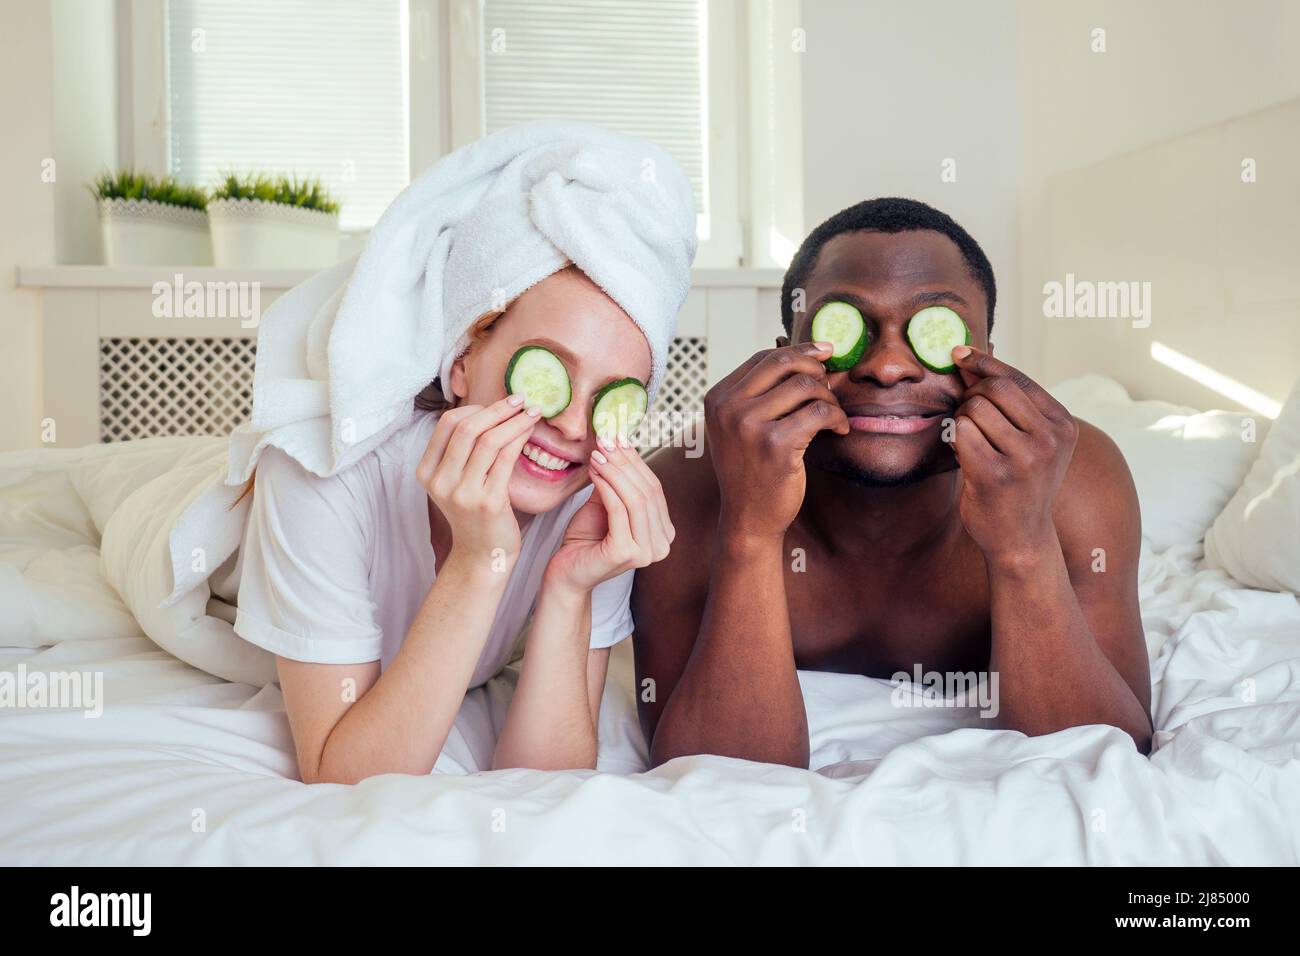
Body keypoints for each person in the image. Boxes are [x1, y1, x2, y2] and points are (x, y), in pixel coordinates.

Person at [228, 124, 696, 783]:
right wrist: (480, 561)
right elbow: (345, 778)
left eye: (611, 398)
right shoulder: (316, 474)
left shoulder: (593, 503)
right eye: (546, 374)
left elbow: (547, 780)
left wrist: (569, 587)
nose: (571, 424)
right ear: (463, 360)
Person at [633, 197, 1153, 769]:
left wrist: (1023, 544)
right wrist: (750, 531)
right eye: (847, 327)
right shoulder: (681, 488)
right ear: (785, 359)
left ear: (988, 360)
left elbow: (1110, 758)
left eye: (931, 330)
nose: (887, 366)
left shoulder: (1076, 477)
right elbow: (713, 777)